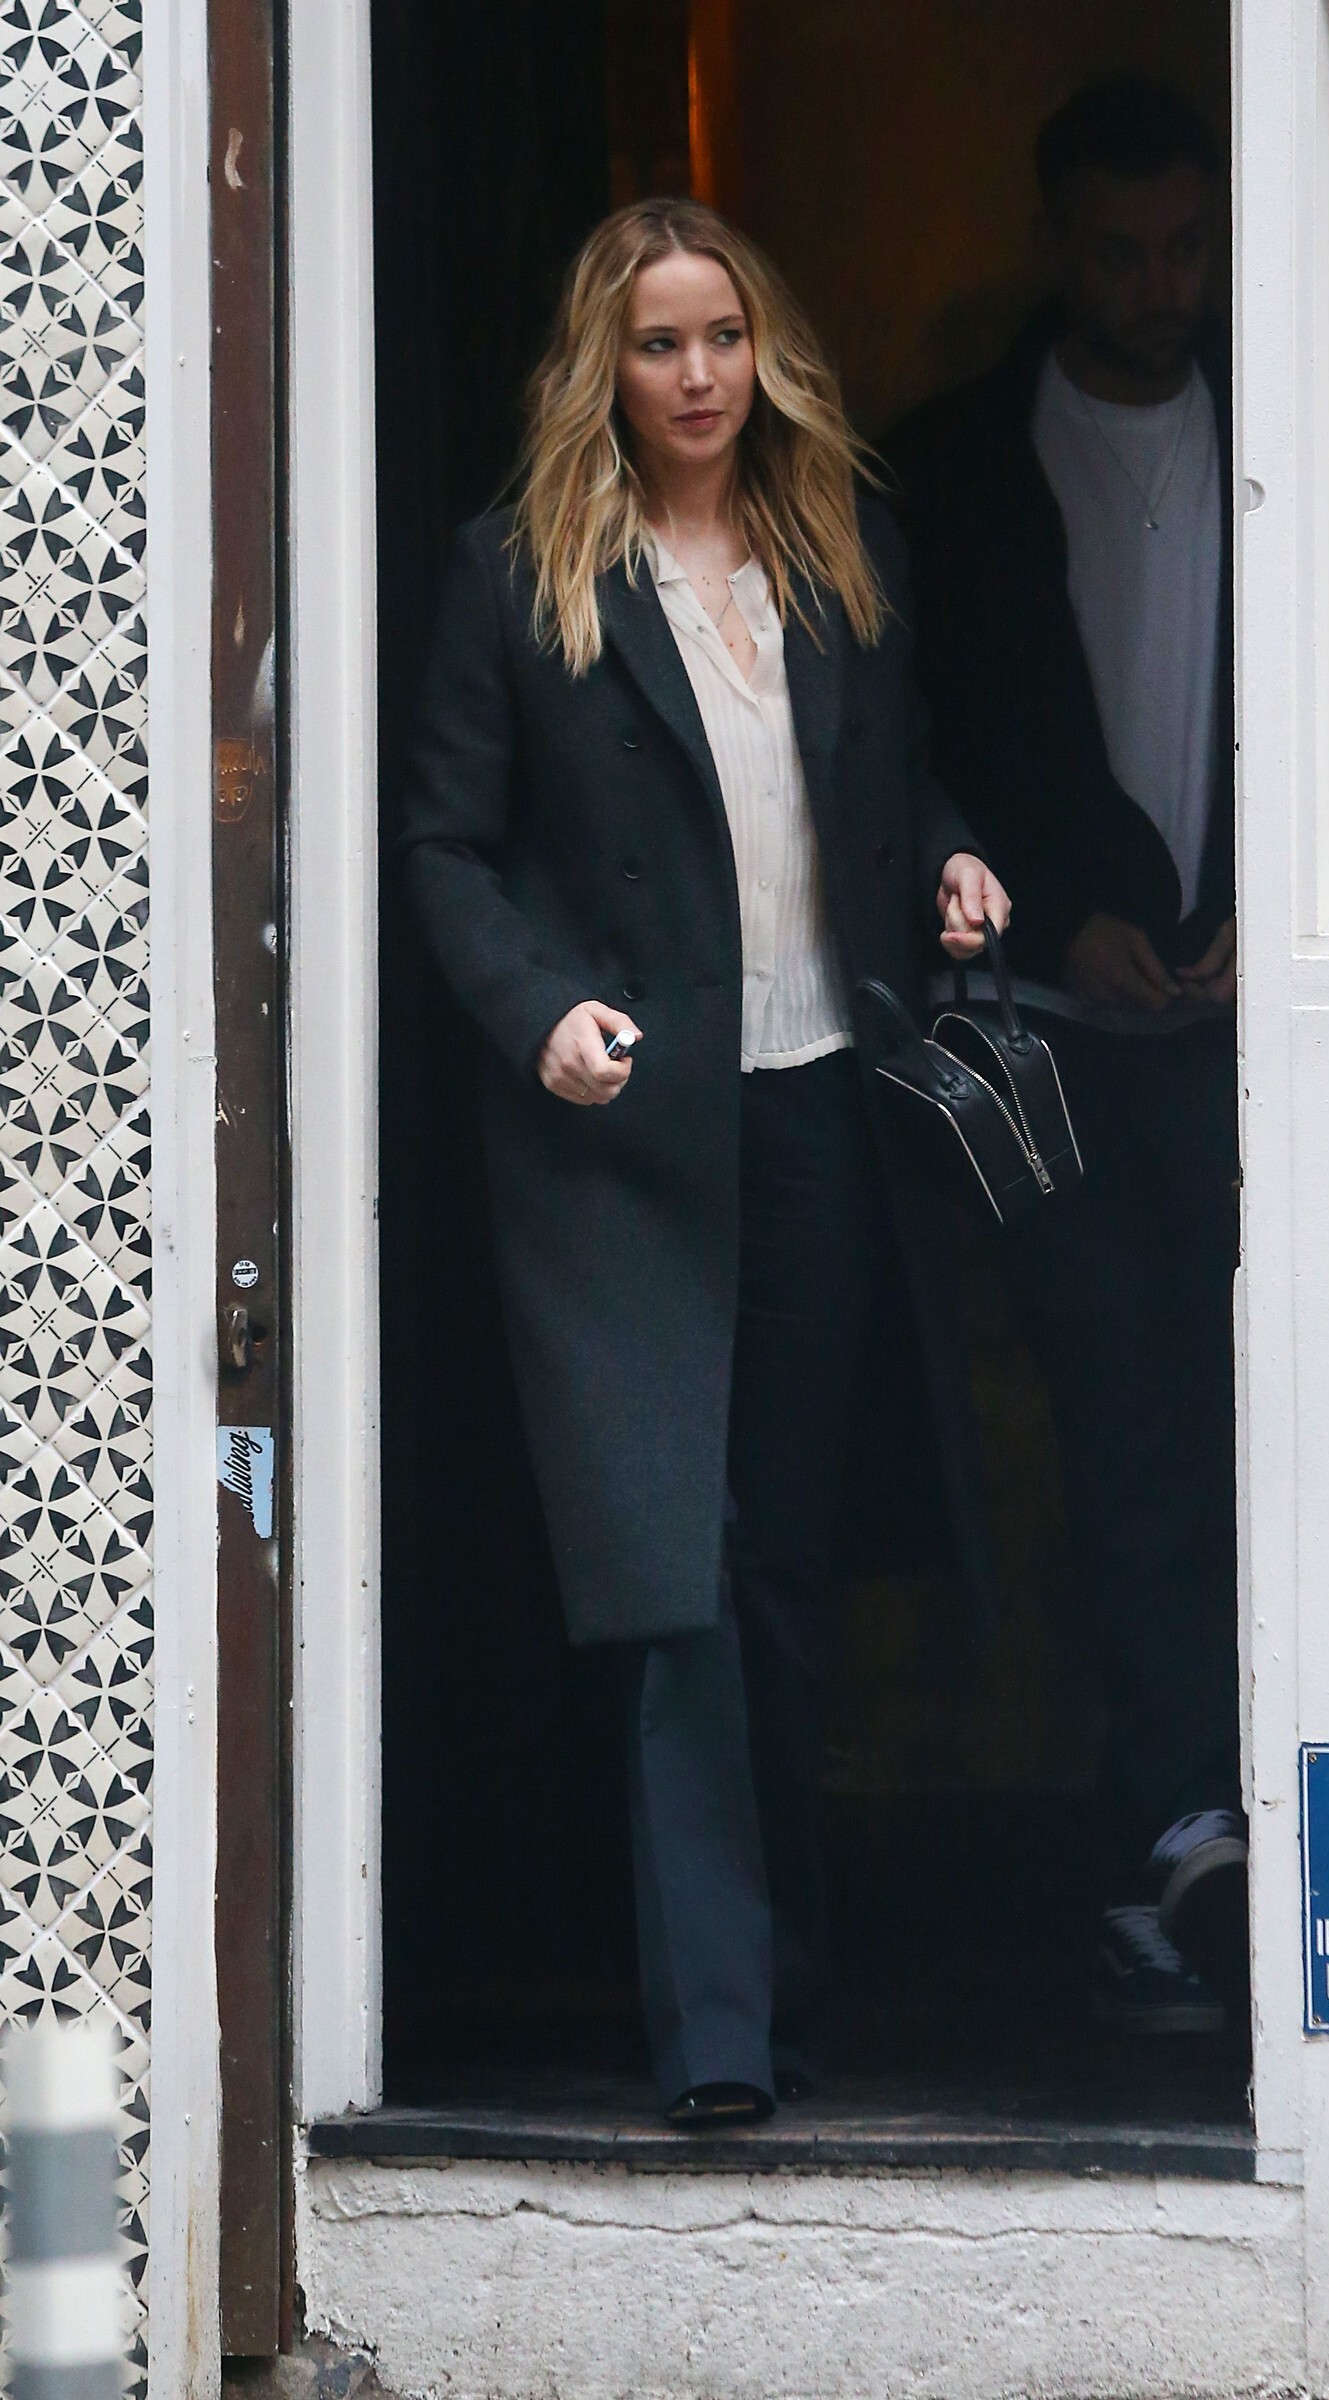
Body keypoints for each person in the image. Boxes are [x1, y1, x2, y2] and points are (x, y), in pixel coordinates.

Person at [402, 198, 1011, 2124]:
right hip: (626, 1129)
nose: (696, 376)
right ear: (605, 362)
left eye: (724, 338)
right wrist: (538, 1017)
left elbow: (896, 772)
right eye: (659, 343)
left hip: (822, 1099)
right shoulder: (518, 576)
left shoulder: (842, 550)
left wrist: (952, 858)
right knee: (676, 1572)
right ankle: (720, 2039)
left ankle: (782, 1988)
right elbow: (443, 847)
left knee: (785, 1570)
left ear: (768, 353)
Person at [891, 76, 1246, 2030]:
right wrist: (1040, 916)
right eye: (1117, 252)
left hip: (1247, 1028)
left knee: (1247, 1417)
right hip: (1028, 1041)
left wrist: (1266, 916)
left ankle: (1218, 1826)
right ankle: (1177, 1829)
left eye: (1184, 247)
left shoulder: (1298, 423)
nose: (1155, 287)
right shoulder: (957, 465)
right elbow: (914, 748)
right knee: (1116, 1423)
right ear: (1056, 242)